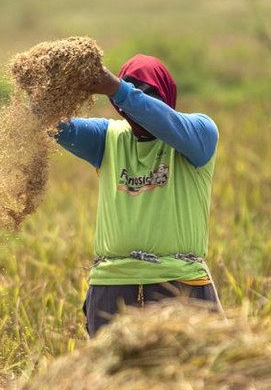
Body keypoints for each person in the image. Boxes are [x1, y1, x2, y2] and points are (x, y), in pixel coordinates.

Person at [54, 53, 221, 337]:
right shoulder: (106, 138)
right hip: (112, 288)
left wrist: (119, 90)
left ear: (166, 95)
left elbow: (156, 116)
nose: (137, 107)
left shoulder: (199, 134)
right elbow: (53, 124)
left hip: (180, 285)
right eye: (130, 96)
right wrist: (49, 85)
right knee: (112, 381)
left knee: (193, 378)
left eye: (148, 96)